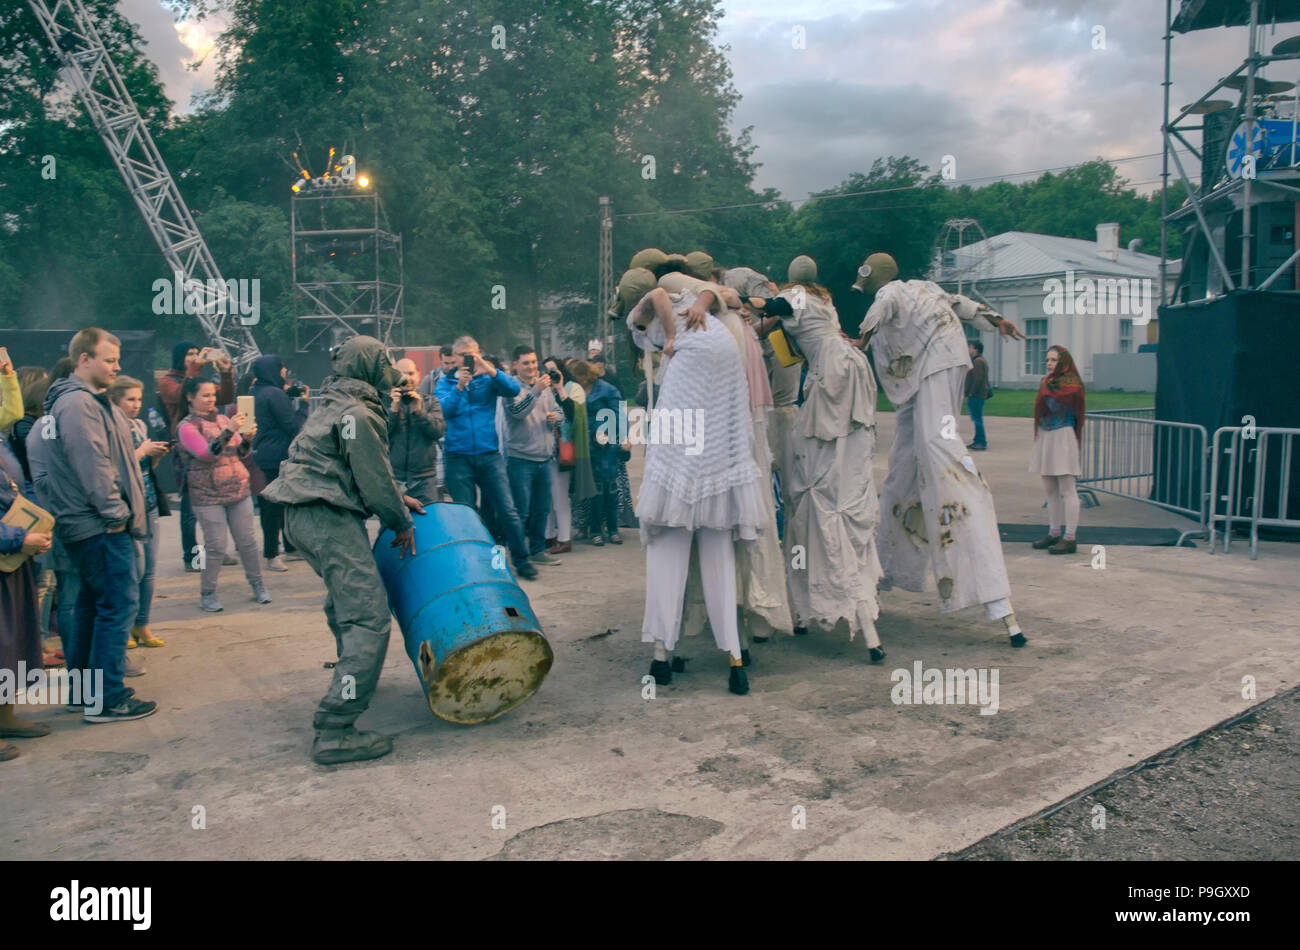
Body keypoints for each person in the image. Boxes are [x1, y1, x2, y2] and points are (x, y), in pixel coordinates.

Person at [853, 252, 1030, 647]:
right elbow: (963, 305)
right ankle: (890, 569)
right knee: (903, 467)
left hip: (936, 367)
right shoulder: (927, 289)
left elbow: (884, 305)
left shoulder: (893, 293)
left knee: (937, 448)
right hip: (931, 369)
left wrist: (863, 337)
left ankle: (985, 581)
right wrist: (997, 319)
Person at [262, 335, 424, 765]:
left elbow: (357, 468)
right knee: (369, 617)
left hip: (301, 514)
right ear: (370, 367)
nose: (391, 370)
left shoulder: (333, 404)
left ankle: (353, 677)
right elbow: (372, 478)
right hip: (325, 516)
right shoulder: (359, 412)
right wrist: (400, 521)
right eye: (385, 361)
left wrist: (396, 495)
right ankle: (336, 728)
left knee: (345, 603)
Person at [624, 277, 762, 695]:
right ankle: (735, 658)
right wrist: (702, 303)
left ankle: (662, 655)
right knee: (718, 553)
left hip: (688, 394)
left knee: (667, 551)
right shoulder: (713, 313)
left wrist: (667, 336)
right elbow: (724, 295)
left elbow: (656, 298)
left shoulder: (649, 316)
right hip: (724, 406)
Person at [744, 256, 886, 661]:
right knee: (838, 447)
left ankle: (817, 593)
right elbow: (782, 326)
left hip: (833, 371)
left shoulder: (792, 297)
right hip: (850, 364)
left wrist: (733, 301)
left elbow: (769, 313)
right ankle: (812, 597)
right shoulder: (823, 300)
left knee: (819, 460)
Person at [36, 327, 156, 722]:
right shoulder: (79, 405)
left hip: (85, 524)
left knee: (92, 605)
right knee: (117, 607)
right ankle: (107, 699)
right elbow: (94, 466)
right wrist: (116, 515)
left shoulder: (74, 402)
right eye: (108, 359)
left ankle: (86, 694)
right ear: (83, 359)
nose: (116, 366)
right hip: (99, 526)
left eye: (117, 359)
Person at [435, 336, 538, 580]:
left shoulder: (488, 380)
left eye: (472, 354)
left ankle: (521, 560)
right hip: (458, 457)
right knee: (466, 514)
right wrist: (460, 386)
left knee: (508, 510)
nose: (468, 360)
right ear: (455, 357)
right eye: (463, 355)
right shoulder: (445, 383)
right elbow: (445, 411)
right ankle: (474, 566)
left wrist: (490, 370)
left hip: (489, 453)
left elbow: (514, 389)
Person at [177, 377, 269, 612]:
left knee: (247, 541)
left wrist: (247, 438)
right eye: (205, 395)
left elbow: (242, 453)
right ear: (190, 397)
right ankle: (207, 593)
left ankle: (257, 584)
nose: (211, 400)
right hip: (207, 495)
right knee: (216, 545)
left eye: (213, 395)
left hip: (238, 489)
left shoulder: (224, 419)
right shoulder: (187, 427)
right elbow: (207, 454)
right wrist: (230, 430)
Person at [158, 341, 235, 572]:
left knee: (216, 501)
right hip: (187, 448)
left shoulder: (199, 380)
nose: (193, 357)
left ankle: (216, 551)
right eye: (189, 354)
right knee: (191, 505)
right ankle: (191, 556)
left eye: (196, 353)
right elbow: (181, 396)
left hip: (211, 443)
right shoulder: (168, 381)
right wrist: (198, 366)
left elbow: (225, 397)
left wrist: (225, 372)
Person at [108, 376, 171, 650]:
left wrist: (154, 454)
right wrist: (141, 451)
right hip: (127, 505)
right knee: (136, 568)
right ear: (115, 400)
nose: (136, 405)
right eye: (129, 399)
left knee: (150, 570)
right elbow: (113, 470)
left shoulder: (139, 424)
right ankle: (125, 627)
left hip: (148, 501)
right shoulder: (109, 427)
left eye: (138, 399)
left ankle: (142, 624)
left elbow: (146, 468)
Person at [0, 434, 52, 759]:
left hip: (11, 559)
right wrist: (18, 538)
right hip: (9, 545)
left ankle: (4, 717)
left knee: (12, 641)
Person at [250, 354, 309, 571]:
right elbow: (293, 426)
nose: (284, 373)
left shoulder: (255, 391)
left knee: (273, 505)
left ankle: (286, 548)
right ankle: (273, 554)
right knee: (278, 506)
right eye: (282, 368)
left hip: (260, 454)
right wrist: (303, 405)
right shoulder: (274, 394)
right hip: (278, 456)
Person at [503, 346, 562, 565]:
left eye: (534, 362)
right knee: (520, 511)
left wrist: (556, 418)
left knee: (542, 510)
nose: (531, 367)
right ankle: (519, 554)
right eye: (526, 363)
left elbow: (560, 411)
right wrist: (535, 391)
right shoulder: (510, 388)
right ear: (515, 364)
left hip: (545, 459)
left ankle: (538, 551)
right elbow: (517, 413)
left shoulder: (545, 387)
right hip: (521, 460)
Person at [1030, 345, 1086, 555]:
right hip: (1046, 434)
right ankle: (1054, 532)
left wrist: (1049, 393)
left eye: (1053, 360)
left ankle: (1070, 537)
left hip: (1062, 434)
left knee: (1067, 488)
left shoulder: (1071, 384)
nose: (1049, 363)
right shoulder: (1047, 382)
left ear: (1062, 361)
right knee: (1050, 489)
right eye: (1047, 360)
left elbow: (1058, 406)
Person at [566, 360, 624, 547]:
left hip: (607, 445)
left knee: (611, 490)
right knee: (594, 490)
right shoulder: (575, 390)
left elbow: (618, 414)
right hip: (586, 445)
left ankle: (613, 530)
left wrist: (621, 437)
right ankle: (596, 530)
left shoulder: (608, 390)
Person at [545, 356, 595, 555]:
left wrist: (559, 389)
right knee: (545, 498)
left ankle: (564, 538)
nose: (550, 374)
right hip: (544, 449)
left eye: (554, 370)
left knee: (560, 497)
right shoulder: (542, 388)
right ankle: (549, 536)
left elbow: (574, 414)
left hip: (564, 449)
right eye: (546, 371)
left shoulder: (573, 388)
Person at [388, 357, 445, 506]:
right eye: (402, 374)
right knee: (393, 527)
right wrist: (393, 411)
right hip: (394, 478)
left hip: (424, 479)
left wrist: (419, 412)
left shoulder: (431, 402)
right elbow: (379, 436)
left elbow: (438, 431)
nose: (407, 378)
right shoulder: (385, 404)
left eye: (411, 373)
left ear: (419, 375)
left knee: (428, 524)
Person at [965, 339, 991, 451]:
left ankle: (980, 441)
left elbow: (978, 379)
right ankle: (977, 440)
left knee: (977, 418)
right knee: (976, 417)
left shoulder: (978, 361)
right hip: (978, 394)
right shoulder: (980, 360)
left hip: (976, 394)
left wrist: (971, 392)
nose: (968, 349)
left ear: (975, 349)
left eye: (970, 347)